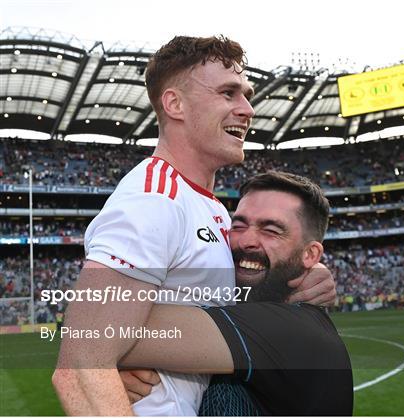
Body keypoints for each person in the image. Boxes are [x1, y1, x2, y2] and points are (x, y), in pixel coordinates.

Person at [52, 36, 335, 416]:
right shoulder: (153, 200)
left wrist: (305, 278)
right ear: (175, 104)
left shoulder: (212, 208)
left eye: (247, 94)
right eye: (228, 93)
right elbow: (80, 364)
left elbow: (221, 309)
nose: (248, 108)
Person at [73, 172, 354, 415]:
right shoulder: (249, 313)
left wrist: (106, 361)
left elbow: (93, 328)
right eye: (239, 225)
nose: (246, 240)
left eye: (271, 230)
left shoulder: (292, 331)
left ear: (310, 253)